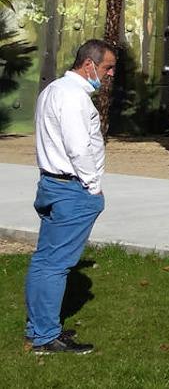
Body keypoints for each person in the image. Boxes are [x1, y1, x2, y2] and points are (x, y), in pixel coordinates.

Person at [24, 39, 116, 355]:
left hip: (52, 183)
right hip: (70, 188)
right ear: (89, 64)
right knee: (55, 265)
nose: (110, 73)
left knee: (45, 261)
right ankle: (46, 337)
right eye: (108, 67)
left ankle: (39, 328)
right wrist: (93, 188)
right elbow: (78, 148)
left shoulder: (53, 91)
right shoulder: (74, 97)